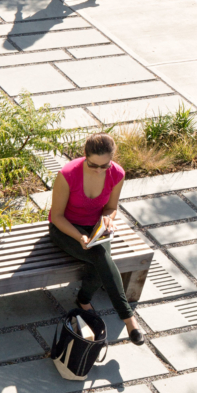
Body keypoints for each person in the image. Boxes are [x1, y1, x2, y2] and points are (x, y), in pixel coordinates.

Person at [48, 132, 145, 345]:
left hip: (96, 228)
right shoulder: (68, 174)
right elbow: (57, 216)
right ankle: (129, 320)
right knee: (101, 257)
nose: (100, 170)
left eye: (105, 166)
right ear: (85, 155)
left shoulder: (117, 173)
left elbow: (111, 207)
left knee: (100, 259)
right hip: (65, 229)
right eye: (94, 165)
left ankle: (84, 301)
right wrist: (79, 236)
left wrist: (107, 219)